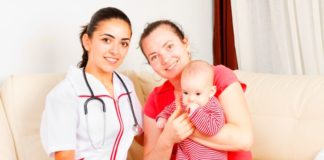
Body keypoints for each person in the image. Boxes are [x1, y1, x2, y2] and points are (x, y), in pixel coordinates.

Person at [139, 20, 253, 160]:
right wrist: (167, 139)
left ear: (185, 43)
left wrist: (186, 129)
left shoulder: (218, 76)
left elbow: (244, 139)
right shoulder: (155, 99)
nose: (165, 59)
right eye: (154, 57)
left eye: (169, 46)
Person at [40, 7, 143, 160]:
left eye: (124, 43)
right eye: (106, 40)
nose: (116, 51)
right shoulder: (64, 94)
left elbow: (142, 136)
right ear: (87, 41)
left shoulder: (125, 85)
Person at [156, 60, 227, 160]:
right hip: (185, 154)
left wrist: (196, 112)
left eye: (197, 94)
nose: (191, 98)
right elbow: (170, 109)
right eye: (186, 92)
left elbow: (213, 128)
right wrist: (163, 118)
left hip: (209, 157)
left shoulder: (213, 105)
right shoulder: (183, 101)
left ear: (211, 92)